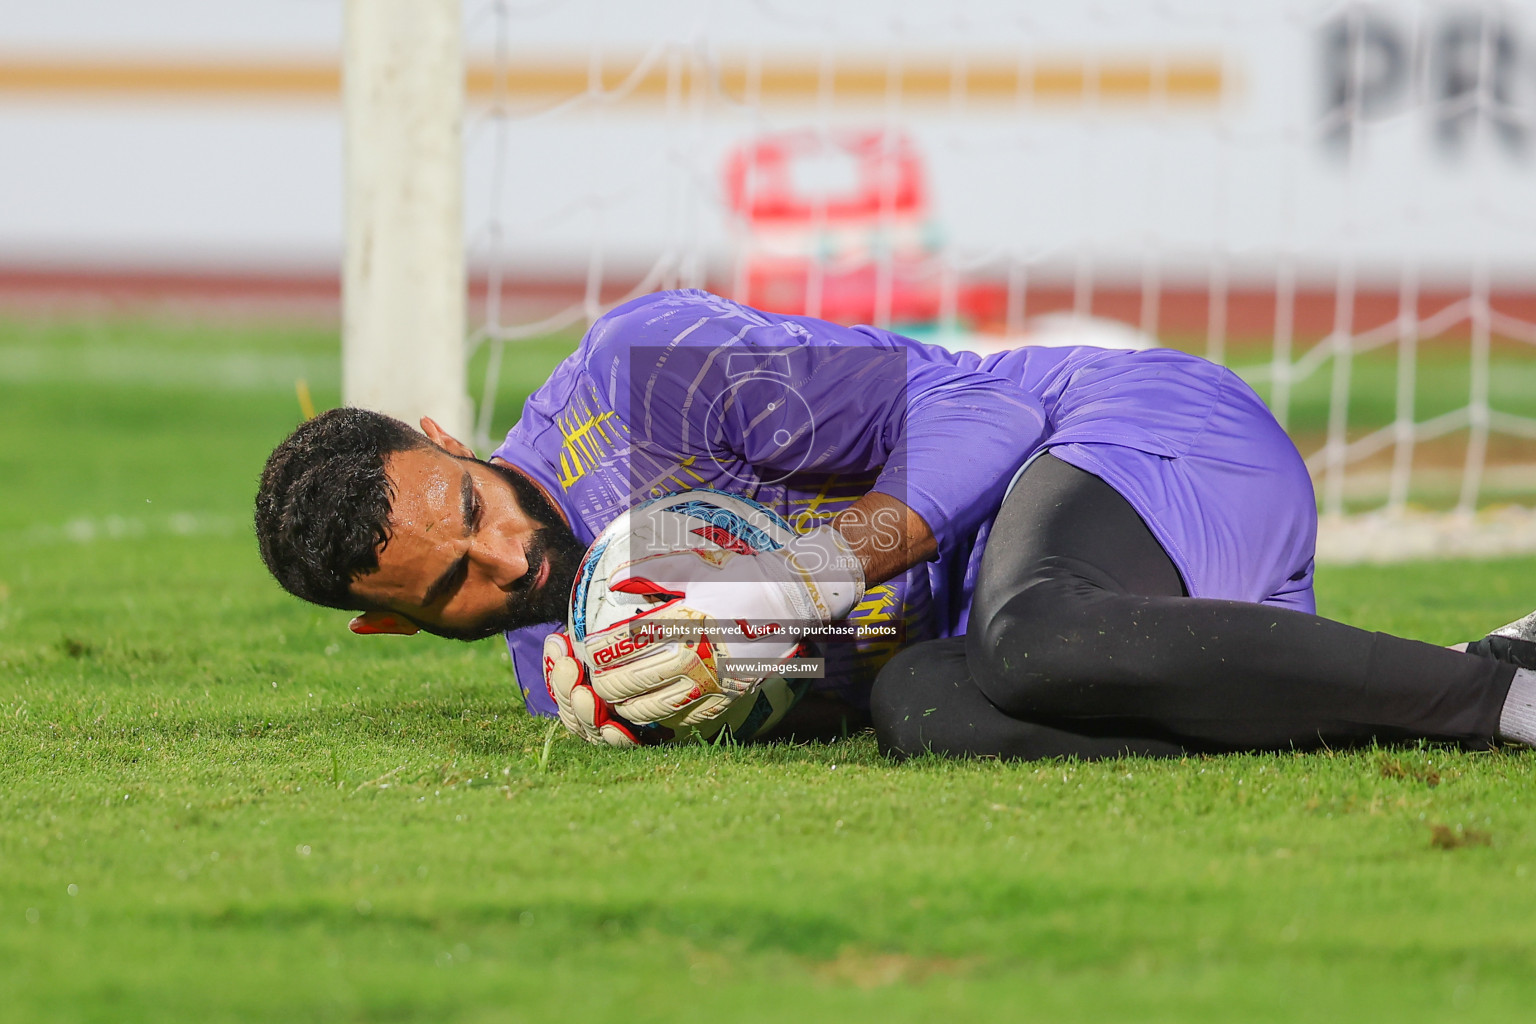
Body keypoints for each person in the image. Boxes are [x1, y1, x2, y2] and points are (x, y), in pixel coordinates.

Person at [254, 288, 1536, 760]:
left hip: (1122, 436)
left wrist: (808, 570)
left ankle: (1494, 699)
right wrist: (735, 688)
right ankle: (1263, 688)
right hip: (1106, 616)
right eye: (458, 585)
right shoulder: (573, 682)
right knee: (922, 708)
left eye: (473, 508)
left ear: (442, 437)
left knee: (1027, 644)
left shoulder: (638, 373)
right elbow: (840, 684)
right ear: (393, 623)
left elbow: (971, 405)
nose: (514, 557)